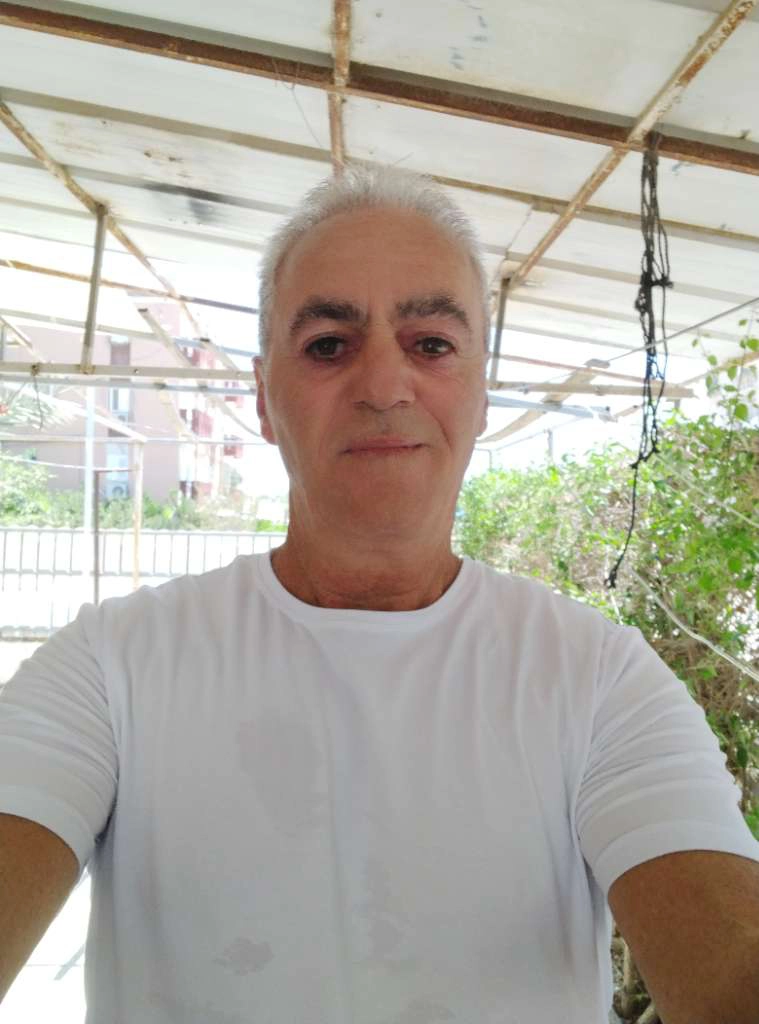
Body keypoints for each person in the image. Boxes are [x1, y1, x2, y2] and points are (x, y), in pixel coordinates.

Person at [1, 165, 758, 1024]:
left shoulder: (598, 677)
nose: (384, 387)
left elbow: (726, 957)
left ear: (480, 392)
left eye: (430, 343)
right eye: (329, 345)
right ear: (262, 398)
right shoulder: (110, 666)